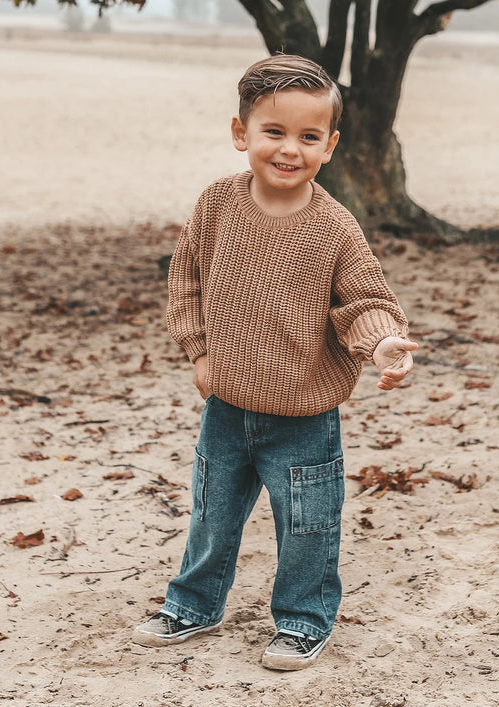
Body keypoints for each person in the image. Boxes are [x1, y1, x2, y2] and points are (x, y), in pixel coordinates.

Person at [133, 54, 418, 671]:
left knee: (308, 525)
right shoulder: (218, 205)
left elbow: (363, 301)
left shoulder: (335, 227)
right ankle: (194, 604)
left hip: (304, 414)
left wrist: (382, 344)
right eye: (274, 132)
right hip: (226, 406)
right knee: (212, 514)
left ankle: (302, 619)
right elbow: (187, 280)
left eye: (309, 137)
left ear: (330, 146)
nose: (290, 149)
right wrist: (199, 351)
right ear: (242, 133)